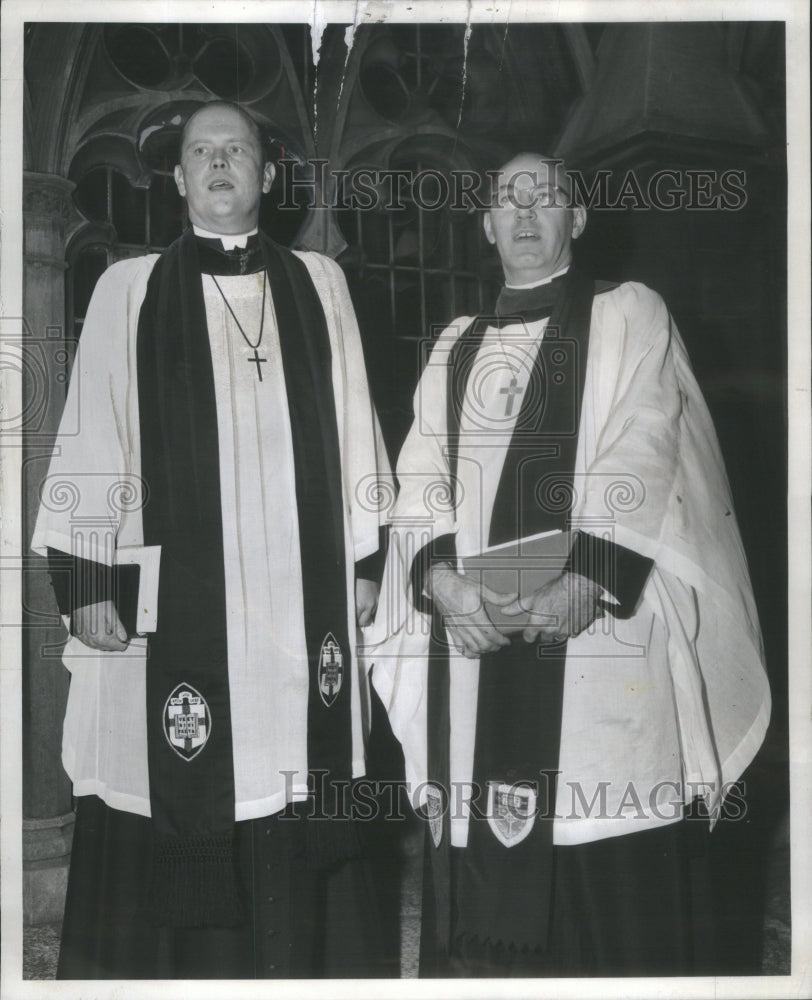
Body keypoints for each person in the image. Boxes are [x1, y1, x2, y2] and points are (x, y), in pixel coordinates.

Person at [370, 153, 771, 976]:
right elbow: (418, 475)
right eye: (506, 198)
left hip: (597, 647)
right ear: (484, 226)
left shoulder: (629, 315)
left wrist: (590, 576)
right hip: (475, 638)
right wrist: (440, 582)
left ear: (577, 220)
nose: (524, 211)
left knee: (599, 851)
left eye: (545, 195)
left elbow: (647, 442)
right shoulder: (455, 346)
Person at [32, 101, 392, 979]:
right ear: (181, 177)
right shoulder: (129, 288)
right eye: (202, 152)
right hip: (178, 600)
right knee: (168, 761)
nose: (220, 164)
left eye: (237, 150)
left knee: (296, 760)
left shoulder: (320, 282)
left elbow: (356, 426)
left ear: (269, 174)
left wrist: (367, 561)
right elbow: (91, 432)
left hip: (294, 597)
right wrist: (84, 581)